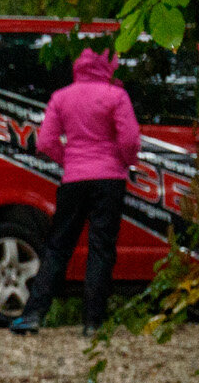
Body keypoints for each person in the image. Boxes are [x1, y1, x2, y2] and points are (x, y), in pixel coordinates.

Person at [14, 48, 146, 337]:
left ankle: (32, 315)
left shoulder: (61, 97)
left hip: (73, 179)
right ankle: (92, 322)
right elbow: (130, 140)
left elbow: (46, 141)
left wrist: (71, 160)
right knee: (101, 249)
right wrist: (125, 161)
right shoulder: (116, 96)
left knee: (58, 246)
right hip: (109, 180)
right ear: (109, 65)